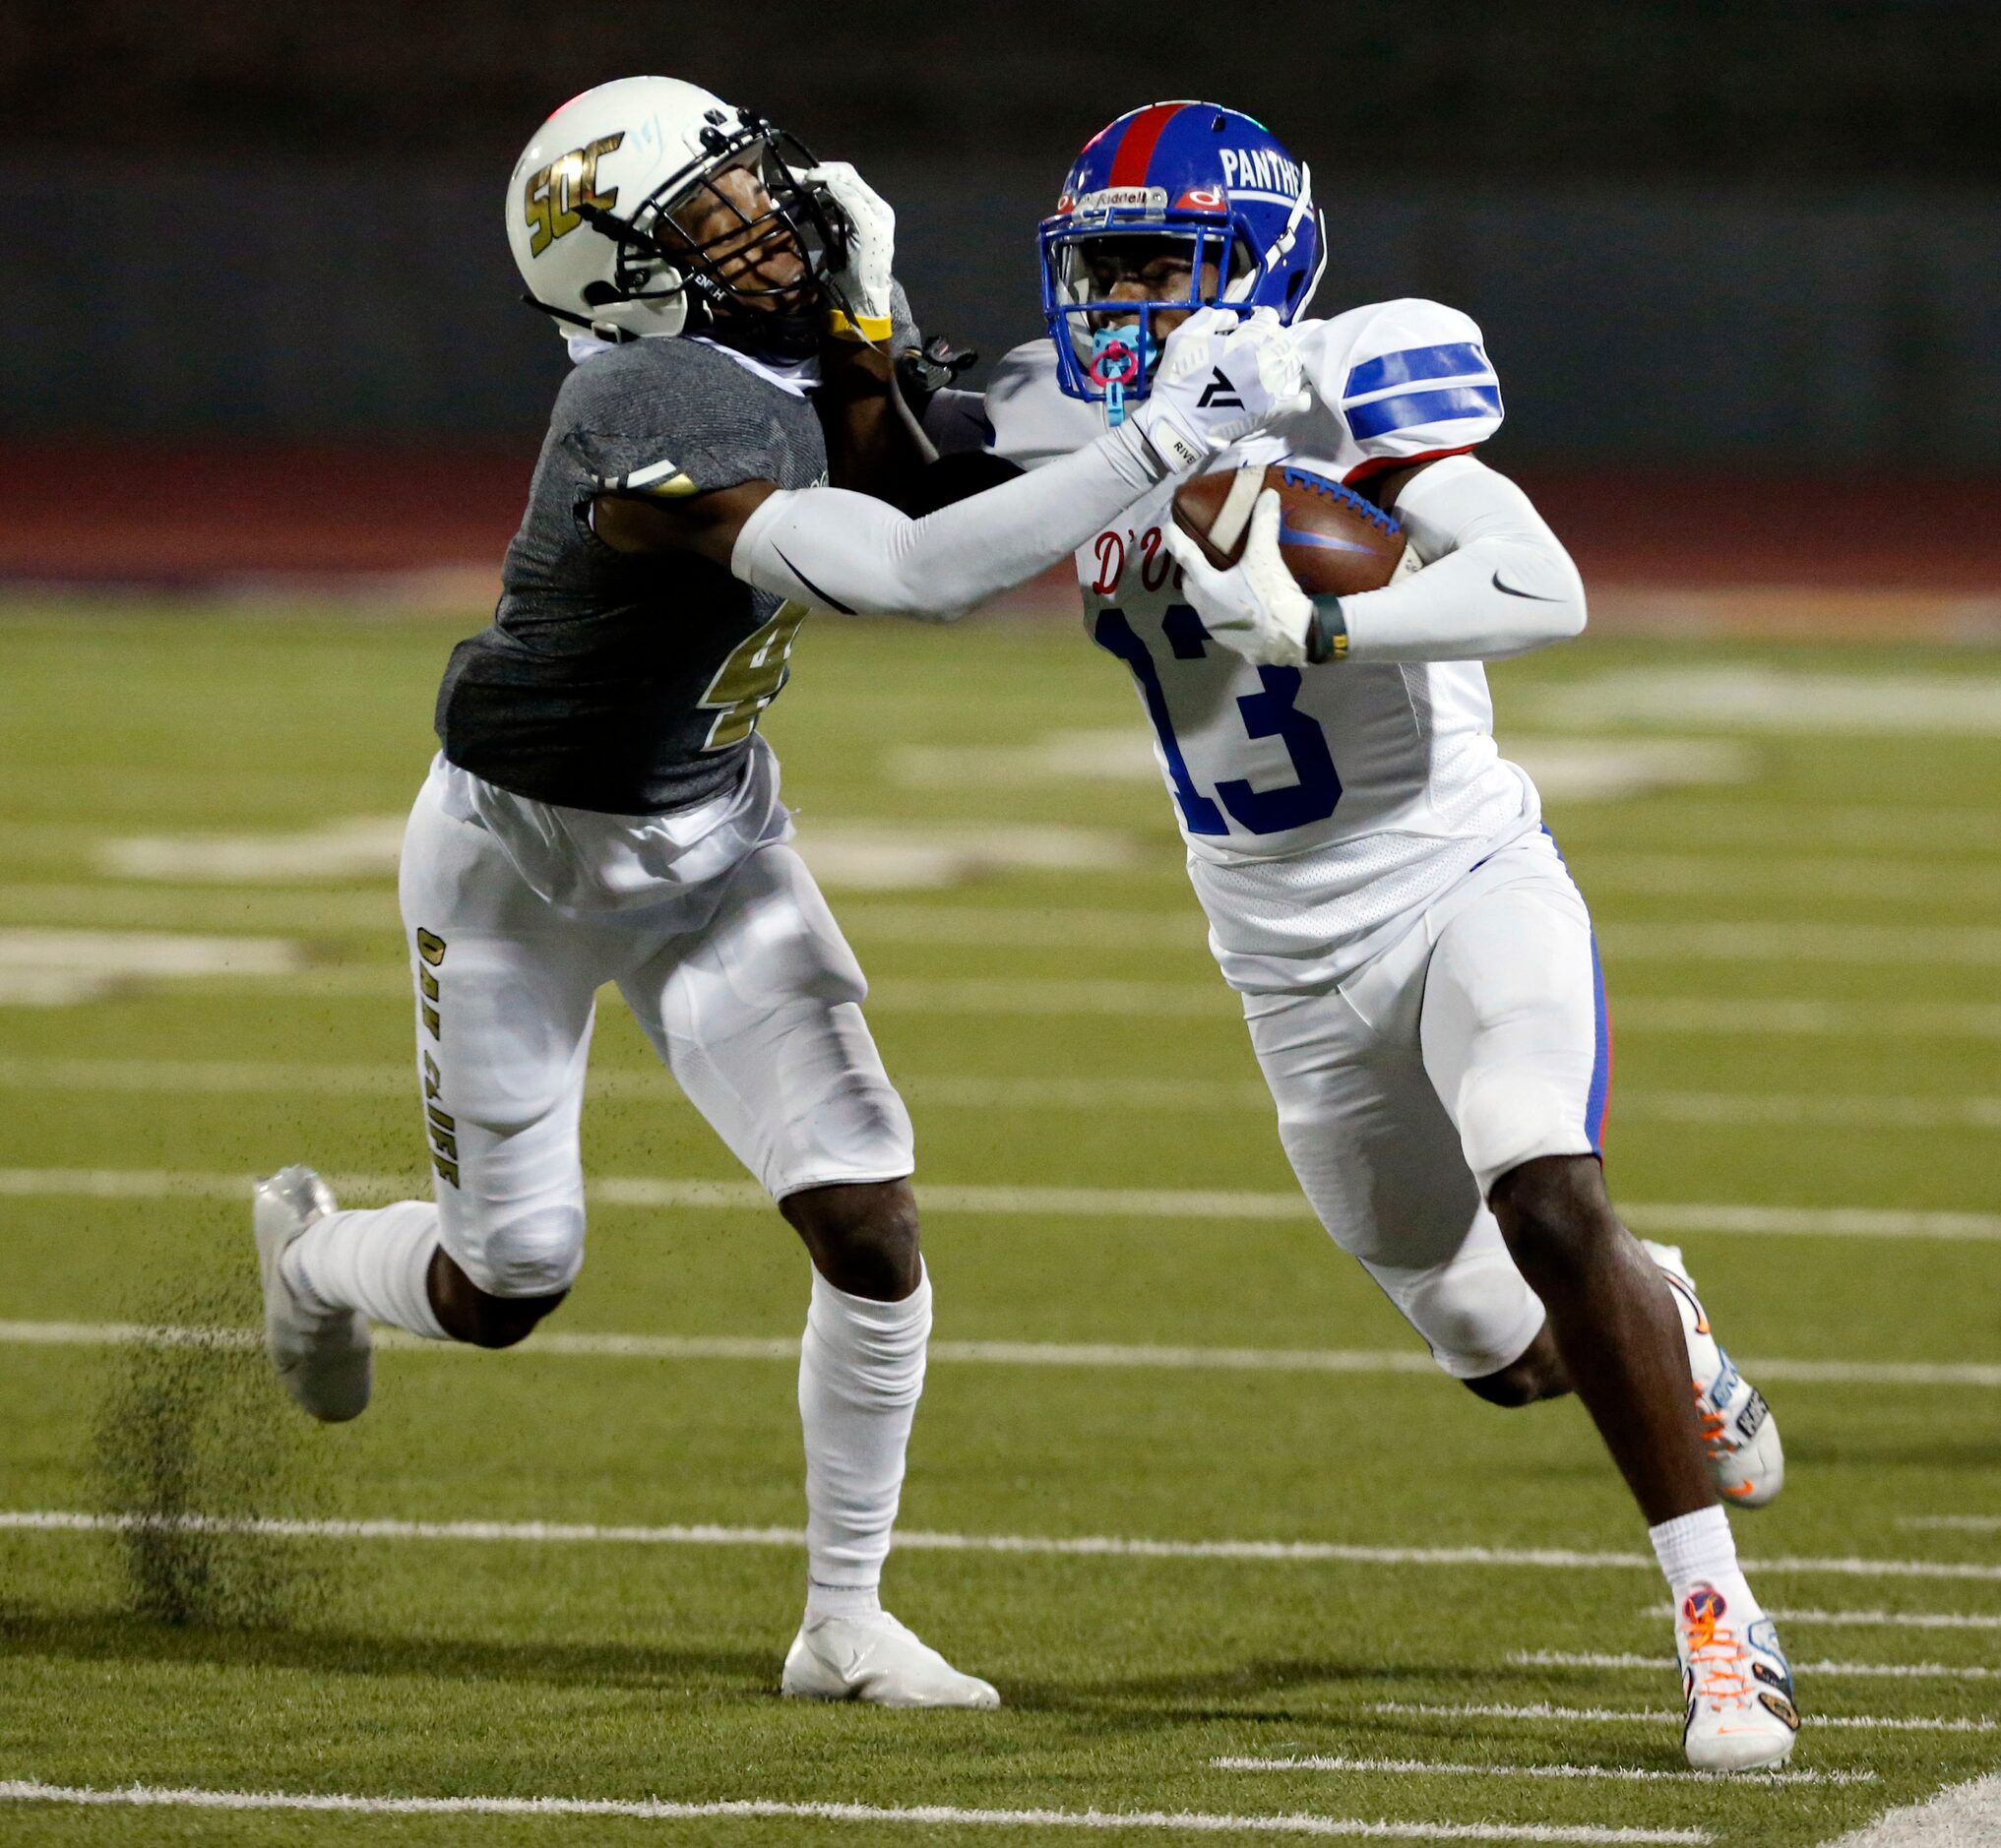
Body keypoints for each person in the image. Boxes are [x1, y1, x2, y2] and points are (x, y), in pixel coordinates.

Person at [251, 76, 1305, 1709]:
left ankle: (841, 1620)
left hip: (716, 842)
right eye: (716, 208)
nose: (769, 213)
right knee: (507, 1280)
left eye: (752, 180)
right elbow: (906, 567)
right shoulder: (647, 403)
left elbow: (920, 473)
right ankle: (317, 1256)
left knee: (870, 1218)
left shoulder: (787, 342)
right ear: (620, 271)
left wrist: (880, 331)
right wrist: (1160, 435)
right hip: (522, 860)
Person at [912, 100, 1798, 1770]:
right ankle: (1657, 1315)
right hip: (1277, 956)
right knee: (1500, 1349)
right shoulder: (1058, 411)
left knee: (1545, 1178)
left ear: (1257, 264)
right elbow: (901, 505)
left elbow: (1548, 591)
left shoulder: (1355, 378)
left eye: (1153, 269)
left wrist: (1331, 616)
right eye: (1093, 270)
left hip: (1455, 874)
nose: (1113, 308)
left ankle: (1718, 1623)